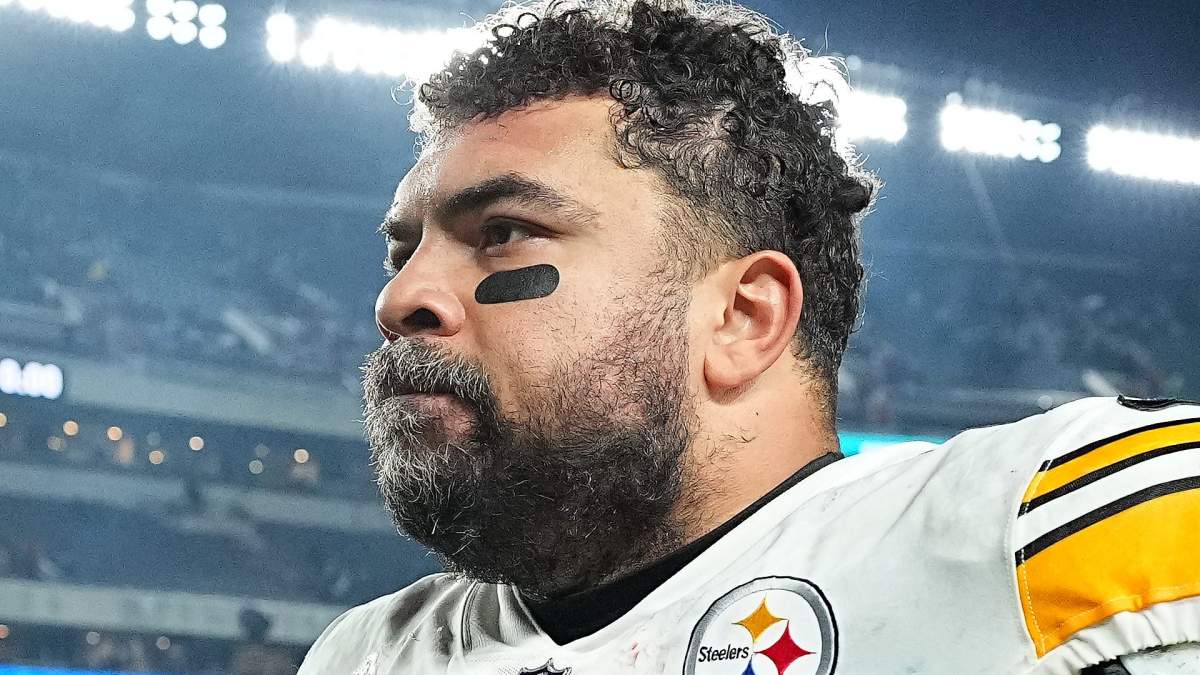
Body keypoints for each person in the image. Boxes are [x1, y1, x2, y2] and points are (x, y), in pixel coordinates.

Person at [300, 1, 1200, 673]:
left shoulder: (1037, 535)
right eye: (402, 251)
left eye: (503, 231)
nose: (401, 297)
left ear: (743, 316)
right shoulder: (368, 653)